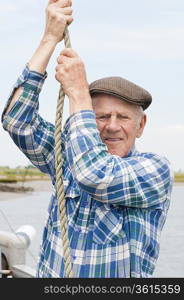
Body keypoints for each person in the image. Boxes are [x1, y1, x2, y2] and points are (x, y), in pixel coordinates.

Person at [1, 0, 173, 278]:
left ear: (141, 125)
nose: (112, 126)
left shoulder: (155, 171)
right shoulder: (67, 156)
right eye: (101, 117)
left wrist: (78, 94)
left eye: (123, 117)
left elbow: (94, 173)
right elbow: (16, 121)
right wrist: (48, 40)